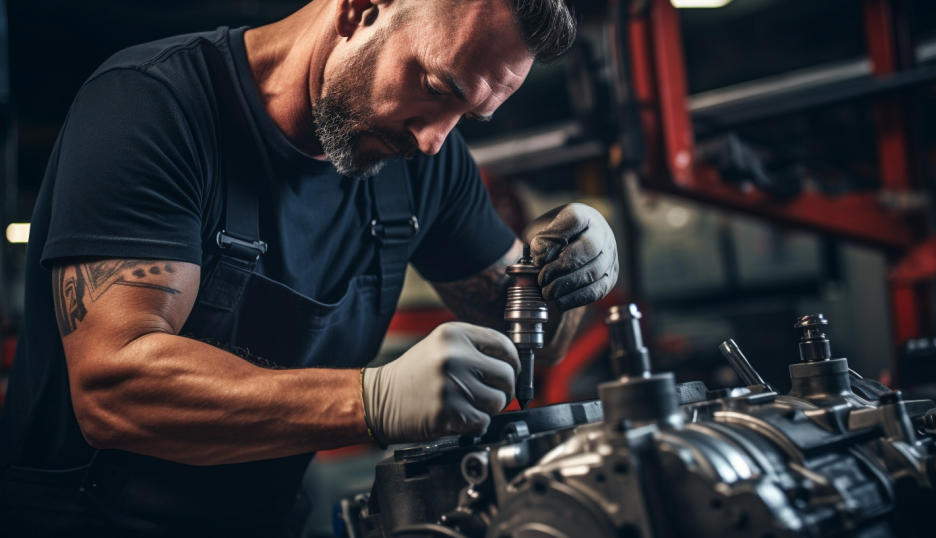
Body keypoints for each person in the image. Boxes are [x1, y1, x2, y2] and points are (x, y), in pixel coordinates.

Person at [0, 0, 619, 535]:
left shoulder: (426, 156)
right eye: (436, 86)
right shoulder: (151, 105)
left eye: (466, 117)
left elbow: (531, 336)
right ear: (360, 9)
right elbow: (113, 389)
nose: (435, 138)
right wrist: (370, 398)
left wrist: (563, 272)